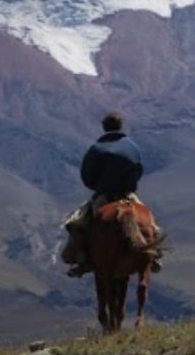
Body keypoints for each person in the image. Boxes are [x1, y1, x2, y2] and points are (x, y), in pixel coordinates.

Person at [61, 112, 159, 277]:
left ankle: (82, 260)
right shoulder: (133, 147)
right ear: (121, 126)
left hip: (104, 196)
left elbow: (87, 177)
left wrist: (98, 185)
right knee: (150, 222)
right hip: (128, 194)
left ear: (104, 127)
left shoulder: (96, 149)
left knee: (75, 223)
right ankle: (154, 254)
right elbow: (138, 170)